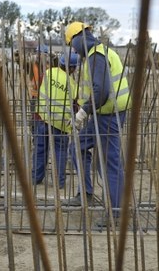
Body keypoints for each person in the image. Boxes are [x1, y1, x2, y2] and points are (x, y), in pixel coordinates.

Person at [62, 21, 131, 228]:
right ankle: (87, 193)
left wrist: (83, 112)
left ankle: (117, 213)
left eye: (73, 45)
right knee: (77, 146)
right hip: (105, 115)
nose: (73, 50)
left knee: (109, 163)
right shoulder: (99, 53)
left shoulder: (97, 56)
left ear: (79, 38)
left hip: (109, 116)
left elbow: (100, 92)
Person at [31, 51, 80, 188]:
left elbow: (37, 89)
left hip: (43, 118)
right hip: (61, 125)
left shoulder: (48, 73)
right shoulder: (73, 85)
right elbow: (76, 106)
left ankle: (36, 178)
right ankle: (59, 182)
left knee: (40, 149)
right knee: (60, 152)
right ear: (72, 68)